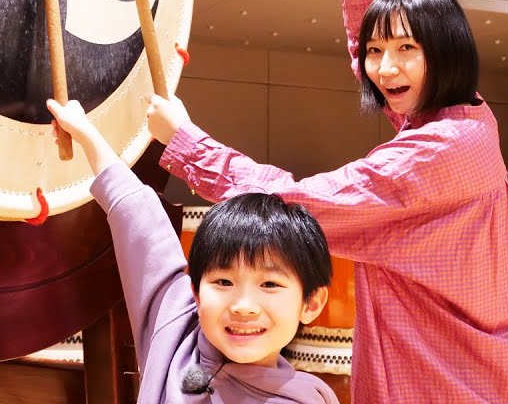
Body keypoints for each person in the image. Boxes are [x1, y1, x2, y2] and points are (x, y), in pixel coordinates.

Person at [145, 0, 508, 403]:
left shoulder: (433, 152)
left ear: (446, 54)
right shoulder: (469, 116)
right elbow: (380, 74)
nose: (385, 67)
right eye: (377, 50)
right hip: (482, 369)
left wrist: (185, 142)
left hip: (445, 377)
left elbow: (295, 202)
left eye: (406, 49)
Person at [47, 98, 339, 403]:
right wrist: (85, 133)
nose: (243, 306)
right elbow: (140, 222)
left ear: (311, 303)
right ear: (196, 294)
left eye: (269, 284)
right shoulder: (175, 336)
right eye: (224, 282)